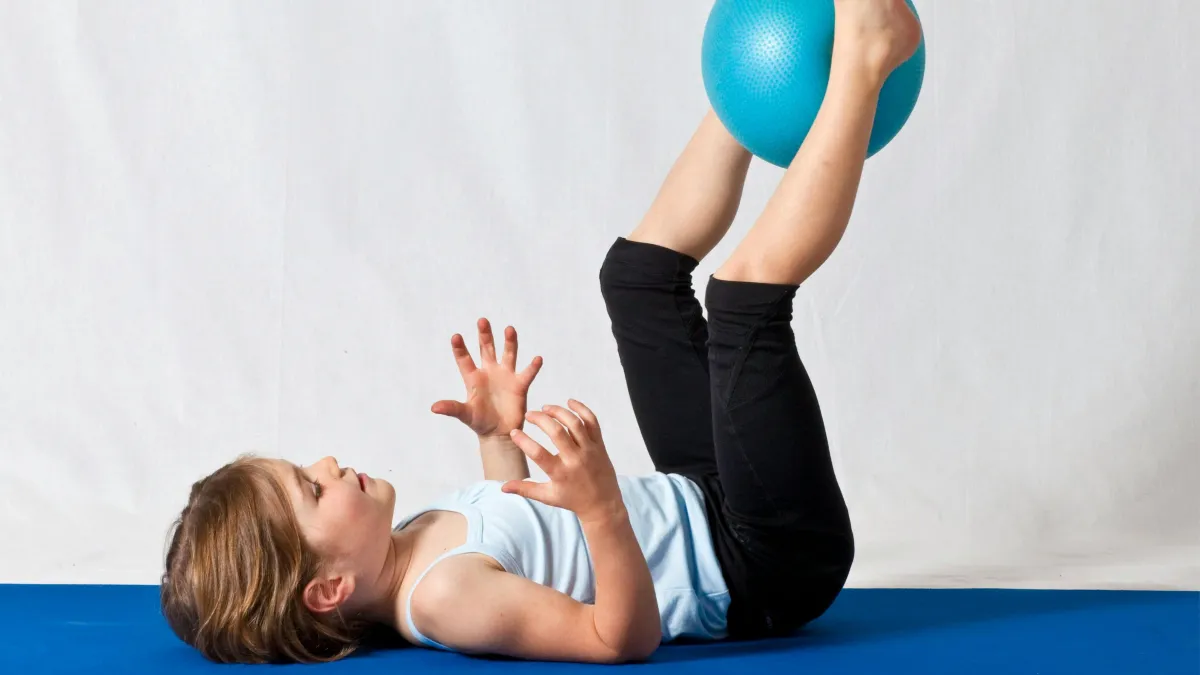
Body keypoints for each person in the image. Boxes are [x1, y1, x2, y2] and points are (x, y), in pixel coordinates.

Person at [159, 0, 922, 664]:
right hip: (766, 559)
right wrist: (599, 508)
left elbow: (514, 529)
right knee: (743, 306)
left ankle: (746, 93)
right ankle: (864, 55)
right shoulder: (445, 600)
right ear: (329, 586)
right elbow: (616, 638)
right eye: (311, 486)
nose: (326, 461)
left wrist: (499, 434)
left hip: (704, 499)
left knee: (635, 280)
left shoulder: (408, 547)